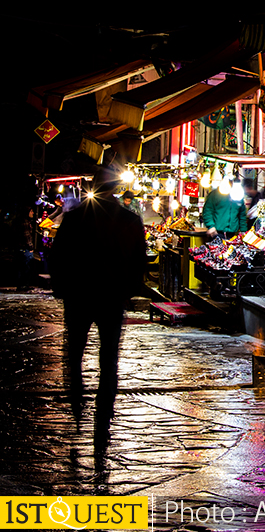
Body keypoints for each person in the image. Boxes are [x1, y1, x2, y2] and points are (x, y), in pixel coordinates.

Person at [50, 165, 146, 472]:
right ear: (117, 189)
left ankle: (78, 404)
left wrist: (61, 288)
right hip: (110, 298)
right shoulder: (130, 220)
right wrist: (128, 291)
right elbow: (139, 262)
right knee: (109, 360)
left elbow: (58, 255)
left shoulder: (75, 218)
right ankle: (103, 416)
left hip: (79, 295)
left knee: (75, 354)